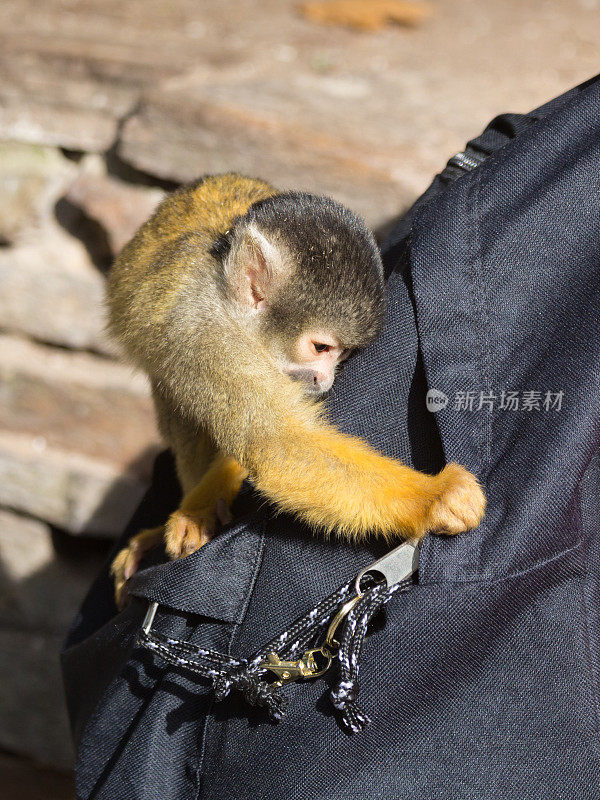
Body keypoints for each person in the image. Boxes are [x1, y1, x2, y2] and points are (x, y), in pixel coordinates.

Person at [62, 74, 600, 799]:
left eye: (340, 356)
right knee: (231, 432)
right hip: (183, 329)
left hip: (242, 265)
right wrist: (418, 499)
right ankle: (203, 491)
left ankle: (211, 483)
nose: (328, 375)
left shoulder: (275, 287)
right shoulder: (206, 325)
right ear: (254, 286)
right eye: (320, 349)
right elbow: (289, 461)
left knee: (264, 416)